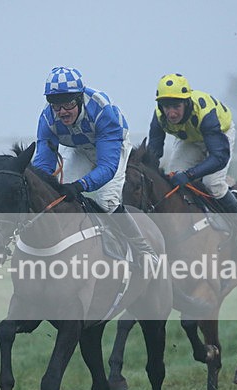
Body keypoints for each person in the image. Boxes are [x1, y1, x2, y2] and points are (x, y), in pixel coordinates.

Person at [32, 66, 158, 268]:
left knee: (107, 201)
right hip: (80, 149)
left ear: (80, 99)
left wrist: (80, 185)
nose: (62, 112)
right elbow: (43, 165)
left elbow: (107, 167)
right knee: (60, 198)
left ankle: (144, 250)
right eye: (56, 105)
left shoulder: (102, 111)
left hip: (111, 147)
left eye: (68, 104)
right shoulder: (47, 119)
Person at [147, 73, 237, 253]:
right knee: (173, 179)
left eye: (176, 106)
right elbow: (153, 153)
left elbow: (218, 157)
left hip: (219, 137)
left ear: (186, 103)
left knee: (212, 183)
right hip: (190, 139)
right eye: (166, 106)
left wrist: (189, 175)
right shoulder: (159, 115)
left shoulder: (205, 114)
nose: (171, 113)